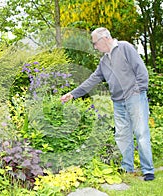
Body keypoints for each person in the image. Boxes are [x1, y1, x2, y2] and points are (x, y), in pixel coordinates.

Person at [60, 27, 155, 181]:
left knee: (141, 133)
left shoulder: (125, 48)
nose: (95, 47)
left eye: (95, 43)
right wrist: (73, 94)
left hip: (134, 97)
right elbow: (92, 80)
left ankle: (148, 170)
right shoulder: (104, 61)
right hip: (118, 101)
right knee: (122, 135)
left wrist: (138, 90)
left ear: (104, 38)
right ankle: (127, 167)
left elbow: (141, 71)